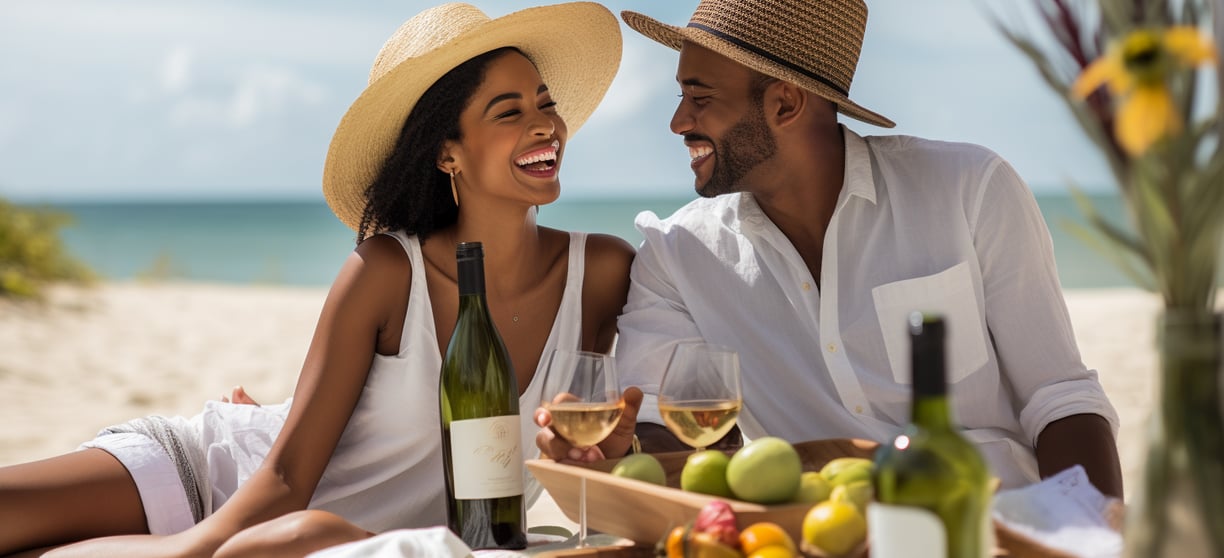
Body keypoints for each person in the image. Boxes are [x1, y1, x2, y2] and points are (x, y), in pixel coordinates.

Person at [0, 3, 634, 556]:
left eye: (547, 104)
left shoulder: (602, 272)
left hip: (312, 542)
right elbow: (284, 479)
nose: (544, 124)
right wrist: (190, 552)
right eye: (509, 111)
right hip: (224, 481)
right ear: (448, 153)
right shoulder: (387, 272)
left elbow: (640, 439)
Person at [536, 0, 1124, 498]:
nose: (677, 121)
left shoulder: (969, 190)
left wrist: (1089, 533)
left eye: (700, 96)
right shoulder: (677, 255)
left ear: (785, 104)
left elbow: (1060, 398)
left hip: (991, 527)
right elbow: (675, 433)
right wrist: (623, 450)